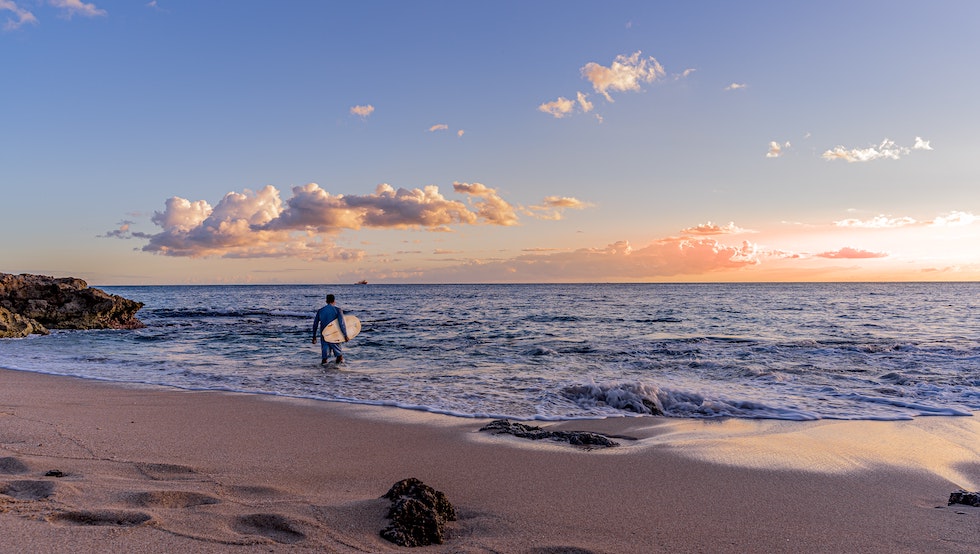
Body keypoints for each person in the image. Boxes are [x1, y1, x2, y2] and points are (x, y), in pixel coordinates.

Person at [312, 294, 348, 364]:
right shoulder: (338, 310)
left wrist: (314, 336)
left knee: (324, 358)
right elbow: (341, 324)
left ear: (326, 301)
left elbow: (315, 324)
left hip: (324, 335)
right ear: (334, 301)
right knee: (339, 356)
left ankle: (323, 373)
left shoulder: (320, 310)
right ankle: (338, 372)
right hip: (334, 335)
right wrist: (345, 335)